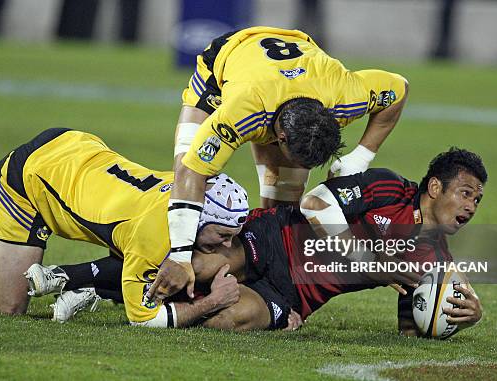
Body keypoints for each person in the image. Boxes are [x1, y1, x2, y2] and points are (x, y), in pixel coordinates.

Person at [37, 148, 484, 334]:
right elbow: (315, 204)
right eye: (465, 193)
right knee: (210, 266)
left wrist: (467, 313)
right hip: (275, 238)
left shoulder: (434, 256)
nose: (470, 207)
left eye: (477, 201)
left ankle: (119, 294)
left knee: (238, 316)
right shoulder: (387, 188)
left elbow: (420, 320)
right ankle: (74, 277)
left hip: (292, 295)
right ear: (434, 188)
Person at [152, 26, 410, 306]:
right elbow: (193, 172)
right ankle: (152, 267)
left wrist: (359, 157)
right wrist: (180, 255)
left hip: (294, 63)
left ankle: (255, 284)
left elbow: (399, 88)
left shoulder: (344, 95)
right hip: (226, 65)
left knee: (282, 209)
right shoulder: (242, 110)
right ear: (280, 139)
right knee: (185, 178)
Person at [0, 128, 249, 328]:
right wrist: (212, 303)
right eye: (222, 235)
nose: (225, 246)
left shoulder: (184, 184)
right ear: (197, 217)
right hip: (29, 180)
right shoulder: (152, 236)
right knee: (6, 305)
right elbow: (145, 318)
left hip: (75, 147)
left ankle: (68, 281)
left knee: (157, 265)